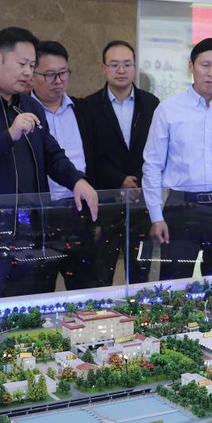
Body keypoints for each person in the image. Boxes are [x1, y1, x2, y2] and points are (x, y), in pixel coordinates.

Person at [0, 26, 98, 300]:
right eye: (21, 64)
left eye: (32, 66)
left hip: (32, 231)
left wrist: (77, 180)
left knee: (30, 307)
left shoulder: (30, 105)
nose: (27, 72)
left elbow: (52, 154)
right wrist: (9, 135)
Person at [143, 37, 212, 279]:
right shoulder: (168, 110)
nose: (211, 73)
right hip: (181, 207)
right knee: (174, 282)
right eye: (205, 65)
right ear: (191, 66)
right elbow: (152, 166)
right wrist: (156, 216)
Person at [85, 40, 160, 285]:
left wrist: (136, 180)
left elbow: (156, 150)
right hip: (105, 202)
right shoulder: (89, 106)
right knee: (101, 272)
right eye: (115, 64)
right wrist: (119, 180)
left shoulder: (152, 104)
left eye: (127, 64)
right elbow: (90, 156)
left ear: (135, 67)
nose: (121, 70)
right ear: (104, 68)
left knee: (140, 272)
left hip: (142, 200)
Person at [29, 40, 99, 291]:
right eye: (50, 75)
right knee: (39, 290)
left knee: (85, 289)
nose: (58, 81)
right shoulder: (22, 113)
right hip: (39, 218)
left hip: (78, 213)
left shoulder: (83, 110)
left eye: (63, 73)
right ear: (32, 75)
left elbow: (95, 161)